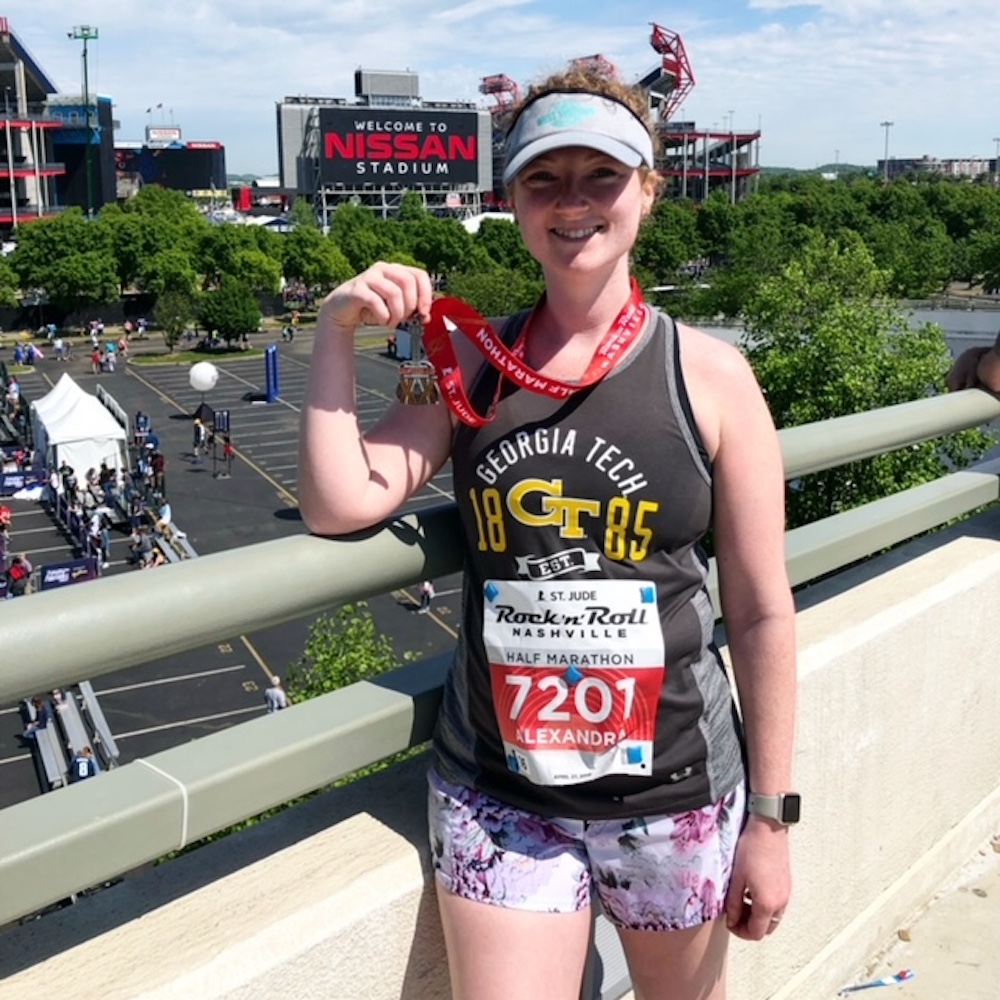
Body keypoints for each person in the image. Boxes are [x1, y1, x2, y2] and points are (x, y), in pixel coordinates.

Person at [299, 65, 797, 1000]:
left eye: (601, 176)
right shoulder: (467, 365)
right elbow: (342, 502)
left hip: (675, 790)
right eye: (543, 179)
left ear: (650, 190)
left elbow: (763, 610)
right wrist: (335, 329)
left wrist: (769, 819)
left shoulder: (713, 376)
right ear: (514, 201)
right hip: (501, 797)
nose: (572, 202)